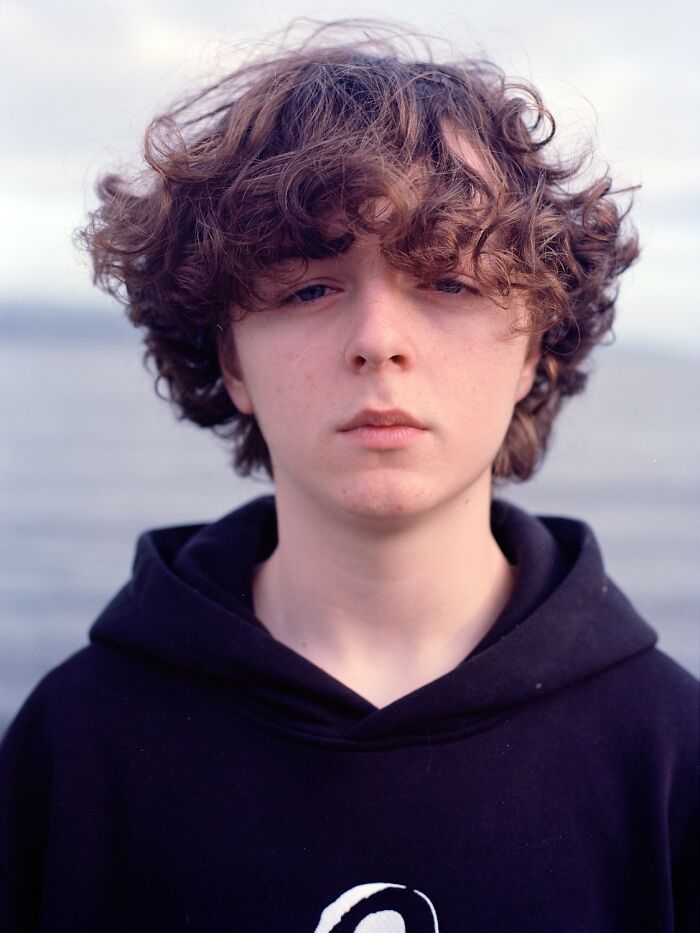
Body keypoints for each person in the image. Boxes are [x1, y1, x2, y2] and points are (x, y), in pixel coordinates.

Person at [0, 21, 697, 933]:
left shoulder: (671, 756)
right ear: (232, 360)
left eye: (448, 282)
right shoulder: (75, 744)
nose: (378, 339)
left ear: (535, 349)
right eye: (309, 287)